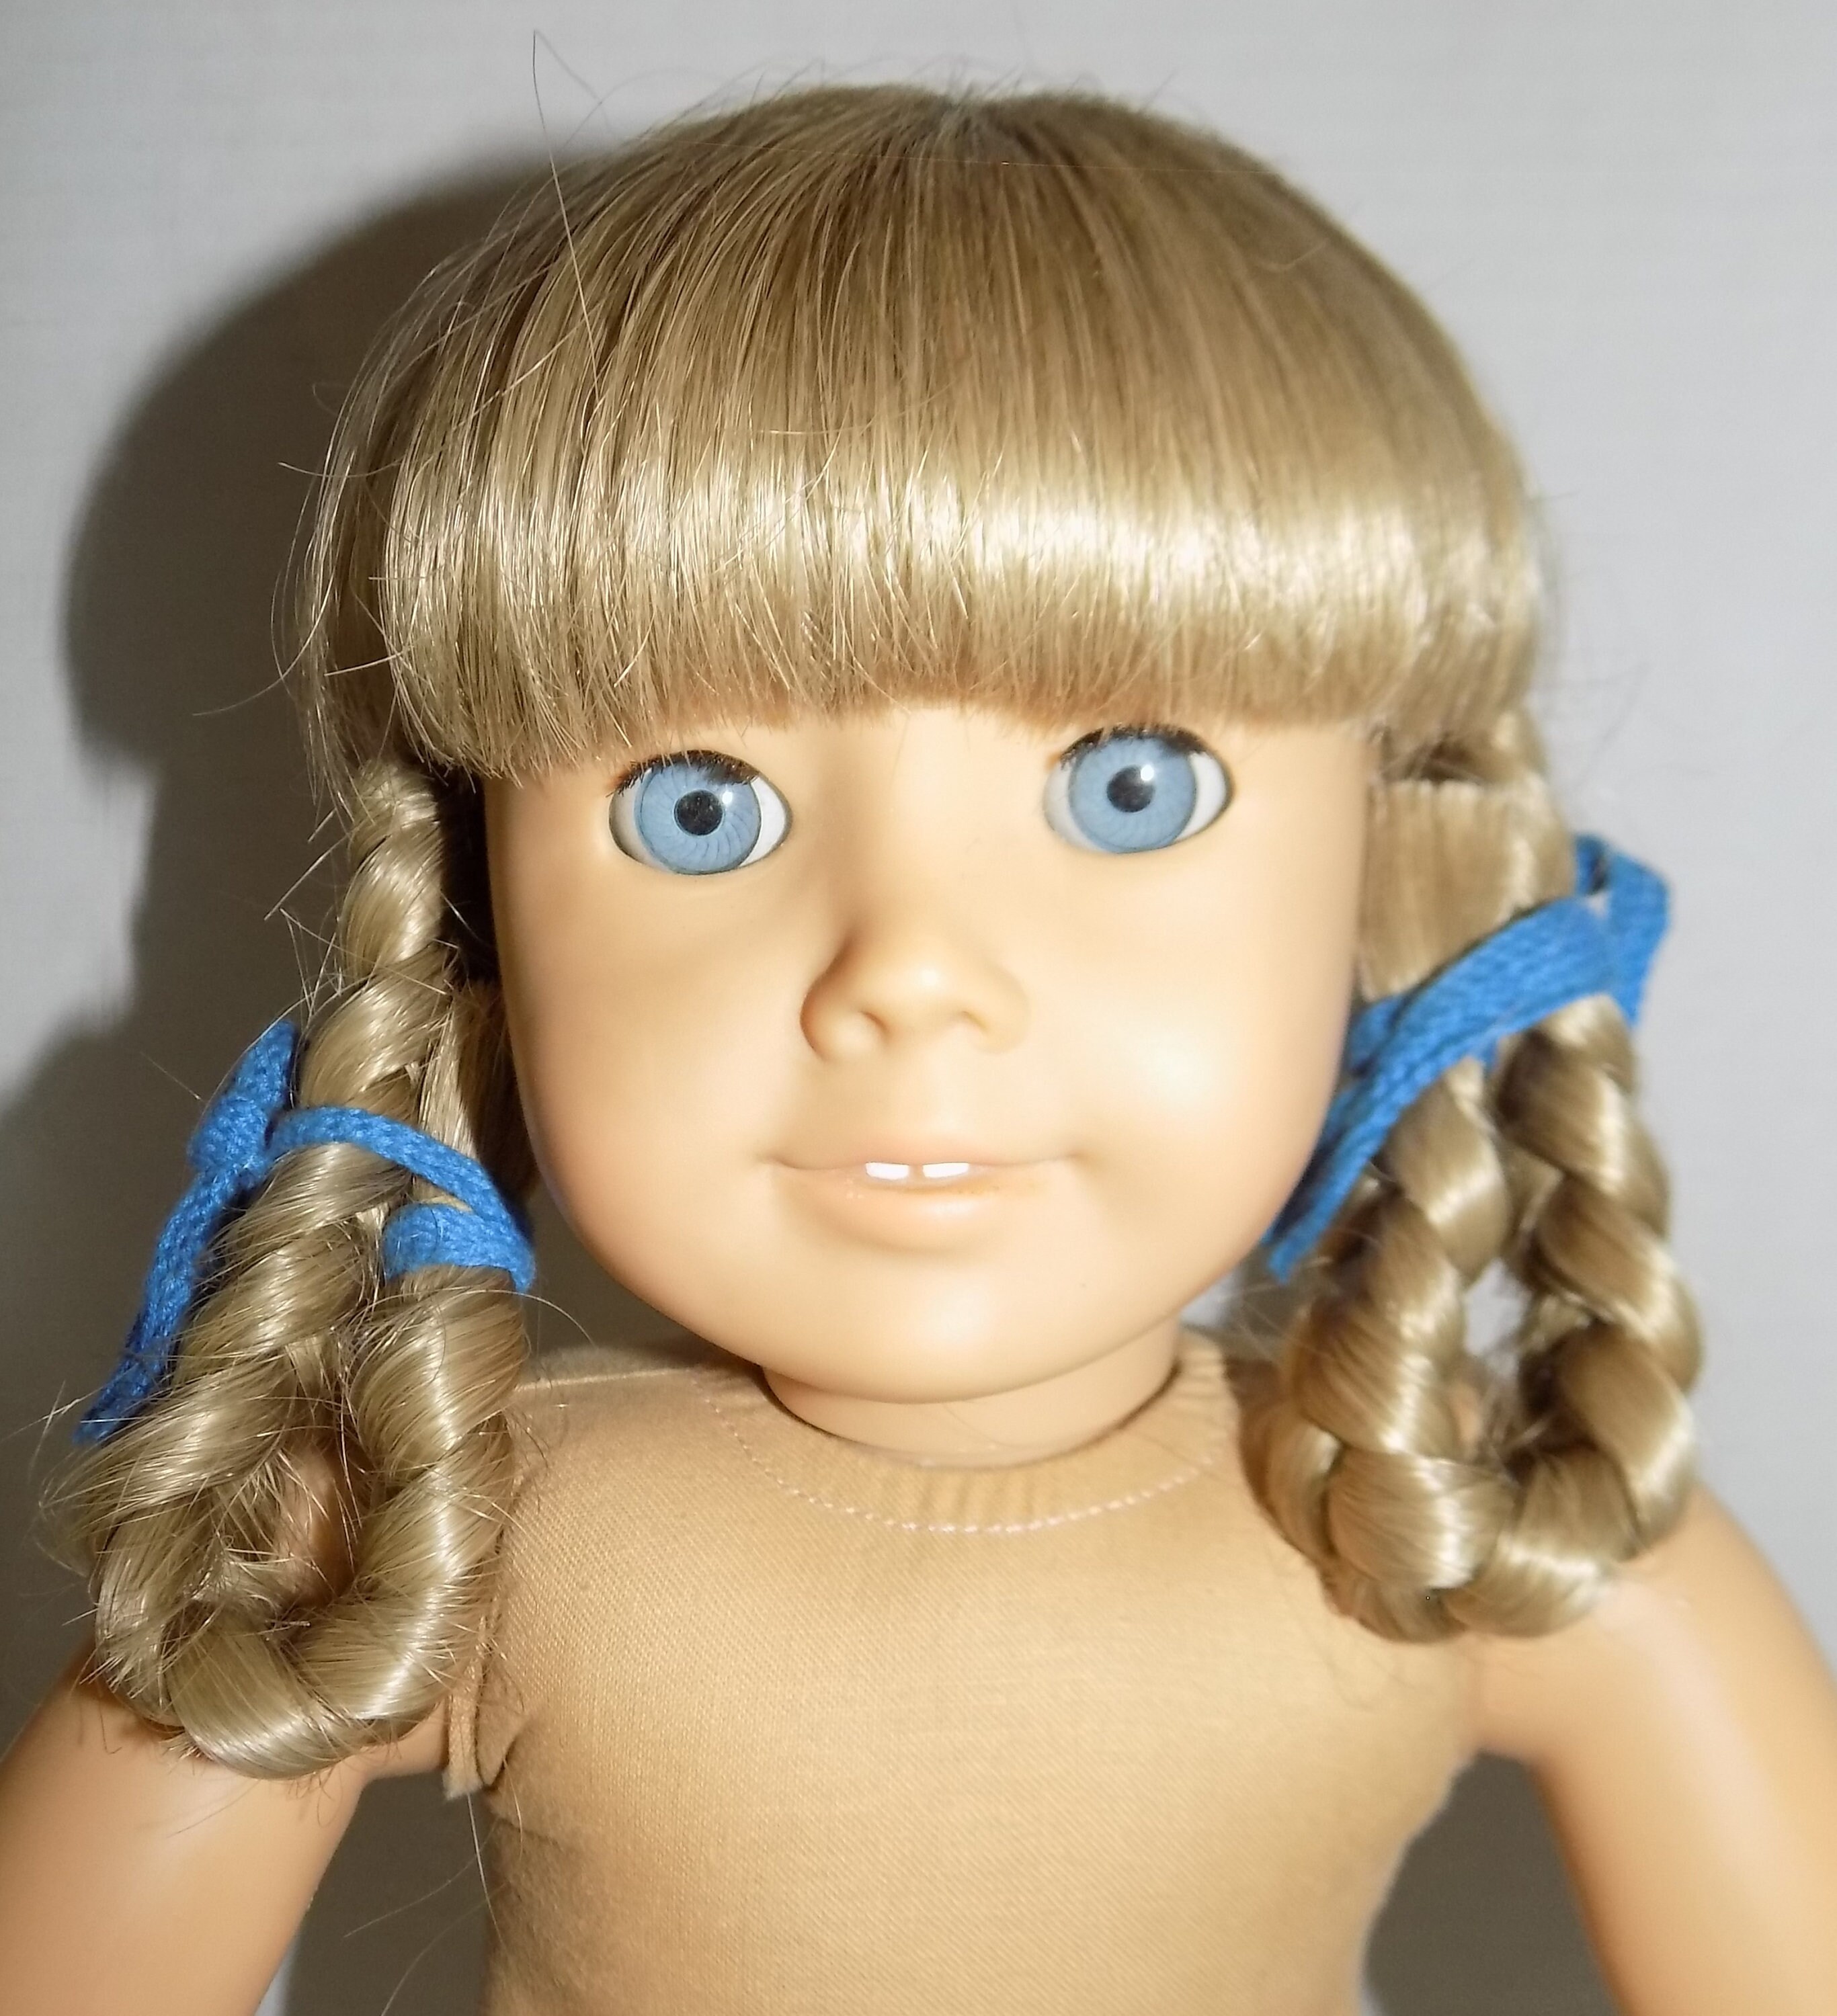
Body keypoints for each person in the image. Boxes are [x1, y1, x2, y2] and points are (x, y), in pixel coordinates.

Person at [1, 83, 1833, 2016]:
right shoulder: (417, 1540)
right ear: (481, 914)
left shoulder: (1474, 1524)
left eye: (1131, 788)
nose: (910, 973)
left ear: (1399, 868)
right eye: (699, 810)